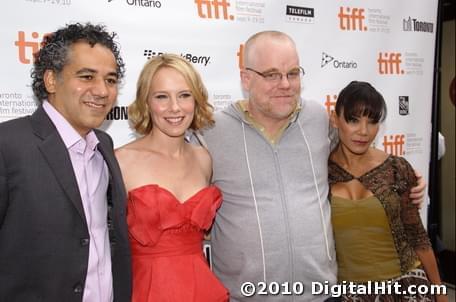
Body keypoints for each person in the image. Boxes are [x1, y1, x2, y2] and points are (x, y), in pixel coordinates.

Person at [195, 31, 426, 301]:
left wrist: (404, 176)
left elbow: (355, 146)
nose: (285, 84)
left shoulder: (316, 118)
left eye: (292, 73)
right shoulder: (210, 132)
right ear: (246, 78)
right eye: (271, 75)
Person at [0, 23, 131, 302]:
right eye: (86, 76)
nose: (102, 91)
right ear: (50, 80)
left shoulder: (104, 146)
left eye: (110, 80)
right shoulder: (7, 144)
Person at [115, 53, 229, 302]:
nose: (175, 108)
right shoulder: (121, 161)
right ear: (146, 102)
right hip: (144, 291)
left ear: (196, 99)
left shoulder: (203, 159)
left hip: (203, 289)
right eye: (161, 97)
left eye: (184, 95)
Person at [328, 81, 446, 302]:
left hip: (406, 288)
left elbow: (418, 235)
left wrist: (440, 294)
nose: (363, 131)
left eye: (372, 121)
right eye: (353, 120)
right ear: (335, 120)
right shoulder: (320, 172)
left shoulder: (396, 168)